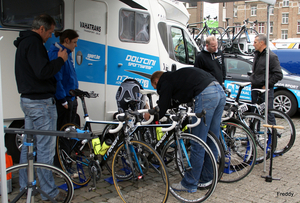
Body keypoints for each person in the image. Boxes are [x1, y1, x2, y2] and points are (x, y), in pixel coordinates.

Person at [14, 14, 68, 201]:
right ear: (42, 29)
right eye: (50, 32)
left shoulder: (23, 43)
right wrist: (60, 60)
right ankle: (49, 193)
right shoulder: (35, 44)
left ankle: (25, 186)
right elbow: (43, 72)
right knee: (45, 149)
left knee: (28, 147)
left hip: (28, 101)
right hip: (41, 104)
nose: (50, 37)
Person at [150, 67, 226, 192]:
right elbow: (173, 101)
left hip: (206, 93)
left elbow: (163, 107)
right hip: (219, 91)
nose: (155, 89)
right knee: (212, 139)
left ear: (157, 80)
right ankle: (207, 178)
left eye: (154, 86)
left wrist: (152, 115)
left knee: (197, 142)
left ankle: (190, 183)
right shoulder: (176, 78)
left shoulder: (165, 80)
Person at [48, 29, 79, 130]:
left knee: (70, 129)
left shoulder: (67, 53)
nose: (76, 45)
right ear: (66, 40)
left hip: (71, 97)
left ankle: (69, 146)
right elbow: (56, 78)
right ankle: (63, 146)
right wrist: (62, 100)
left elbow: (70, 76)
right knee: (63, 130)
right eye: (74, 42)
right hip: (64, 99)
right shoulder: (57, 54)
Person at [250, 34, 283, 125]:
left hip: (265, 90)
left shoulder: (271, 56)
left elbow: (278, 74)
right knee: (254, 114)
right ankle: (253, 135)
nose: (253, 44)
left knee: (268, 113)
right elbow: (256, 71)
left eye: (255, 42)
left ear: (262, 43)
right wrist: (253, 80)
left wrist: (267, 84)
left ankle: (272, 136)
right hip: (255, 89)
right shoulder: (257, 54)